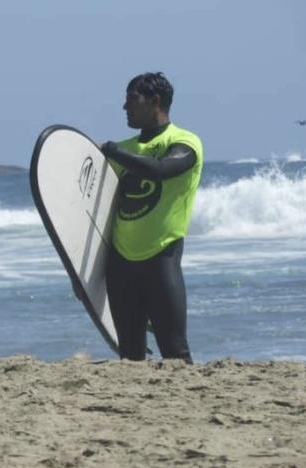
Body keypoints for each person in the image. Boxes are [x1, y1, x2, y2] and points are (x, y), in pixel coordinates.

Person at [99, 72, 203, 364]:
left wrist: (112, 151)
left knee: (175, 351)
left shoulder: (185, 141)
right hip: (119, 262)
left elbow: (160, 170)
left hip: (161, 257)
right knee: (130, 355)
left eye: (132, 99)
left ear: (155, 101)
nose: (124, 107)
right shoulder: (123, 150)